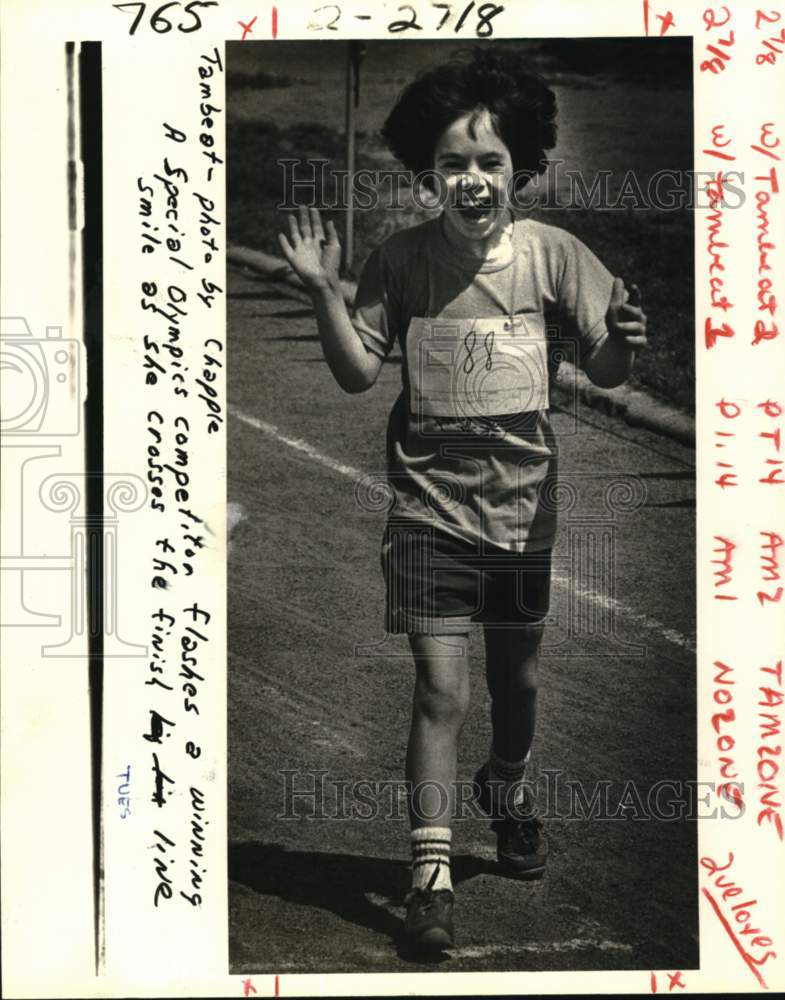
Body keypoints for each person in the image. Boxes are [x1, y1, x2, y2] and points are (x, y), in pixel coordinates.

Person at [278, 47, 647, 956]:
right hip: (428, 513)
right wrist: (326, 291)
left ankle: (508, 787)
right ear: (425, 175)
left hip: (522, 513)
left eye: (490, 162)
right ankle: (429, 876)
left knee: (515, 679)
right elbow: (361, 373)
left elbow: (603, 363)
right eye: (452, 164)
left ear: (520, 167)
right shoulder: (401, 262)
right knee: (439, 690)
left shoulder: (555, 256)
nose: (472, 180)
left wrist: (625, 346)